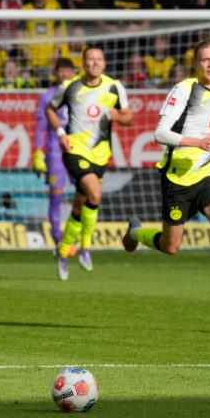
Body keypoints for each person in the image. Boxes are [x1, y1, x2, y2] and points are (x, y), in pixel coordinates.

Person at [122, 39, 210, 323]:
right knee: (170, 246)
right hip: (178, 178)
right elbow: (160, 133)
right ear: (196, 63)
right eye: (205, 59)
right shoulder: (185, 89)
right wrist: (196, 142)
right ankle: (134, 234)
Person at [47, 45, 133, 271]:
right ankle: (86, 247)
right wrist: (60, 133)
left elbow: (129, 117)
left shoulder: (115, 87)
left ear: (104, 63)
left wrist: (119, 116)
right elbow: (50, 109)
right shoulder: (70, 86)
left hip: (101, 154)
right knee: (95, 193)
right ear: (83, 63)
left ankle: (64, 250)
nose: (95, 63)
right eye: (90, 60)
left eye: (99, 59)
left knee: (80, 205)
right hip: (75, 151)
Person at [33, 58, 75, 280]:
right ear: (56, 73)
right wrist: (38, 152)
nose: (65, 74)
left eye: (69, 71)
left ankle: (74, 238)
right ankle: (59, 241)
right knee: (56, 198)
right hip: (55, 153)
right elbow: (40, 127)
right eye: (62, 71)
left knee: (85, 197)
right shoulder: (48, 96)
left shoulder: (80, 93)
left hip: (79, 152)